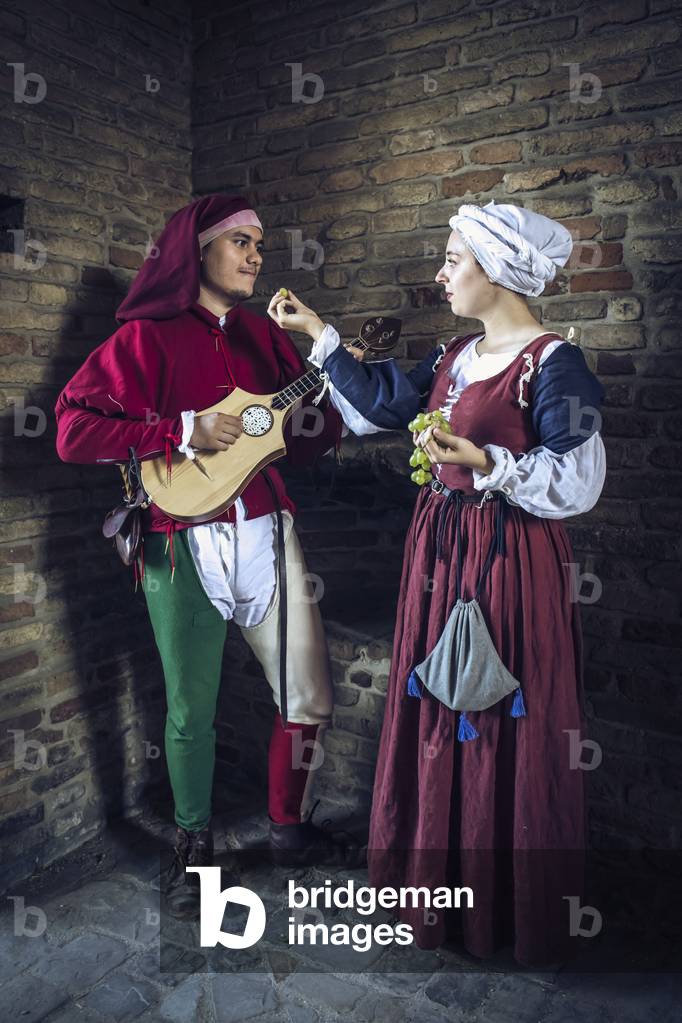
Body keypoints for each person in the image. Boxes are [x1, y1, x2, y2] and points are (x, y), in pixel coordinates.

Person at [270, 200, 607, 967]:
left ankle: (506, 907)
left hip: (509, 561)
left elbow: (577, 480)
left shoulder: (554, 363)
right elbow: (387, 404)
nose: (441, 273)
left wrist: (488, 463)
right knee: (436, 703)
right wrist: (319, 335)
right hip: (439, 554)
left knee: (496, 711)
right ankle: (434, 886)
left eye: (452, 259)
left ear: (494, 268)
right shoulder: (456, 354)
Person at [54, 194, 349, 918]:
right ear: (198, 252)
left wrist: (328, 399)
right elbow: (70, 429)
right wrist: (180, 427)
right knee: (191, 708)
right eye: (240, 242)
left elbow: (300, 442)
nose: (255, 254)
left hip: (269, 529)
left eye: (259, 243)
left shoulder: (261, 336)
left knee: (306, 691)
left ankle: (286, 823)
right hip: (179, 543)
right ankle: (194, 844)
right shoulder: (145, 340)